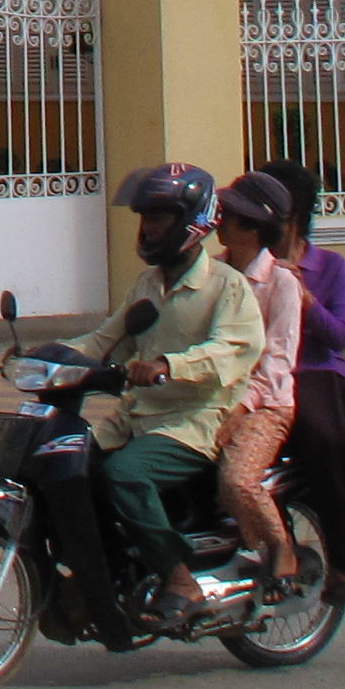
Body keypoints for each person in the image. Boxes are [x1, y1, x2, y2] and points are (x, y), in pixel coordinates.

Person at [67, 161, 264, 614]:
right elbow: (105, 341)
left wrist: (167, 366)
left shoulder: (226, 287)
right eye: (144, 219)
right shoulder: (147, 285)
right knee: (69, 471)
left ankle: (181, 578)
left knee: (125, 476)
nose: (148, 229)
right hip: (135, 419)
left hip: (192, 421)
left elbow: (231, 351)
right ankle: (107, 572)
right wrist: (43, 357)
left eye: (158, 218)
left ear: (191, 223)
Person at [257, 156, 345, 600]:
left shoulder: (330, 265)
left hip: (326, 376)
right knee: (329, 441)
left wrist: (306, 300)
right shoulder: (243, 265)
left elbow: (339, 338)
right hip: (282, 377)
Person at [210, 172, 303, 595]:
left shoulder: (281, 284)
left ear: (251, 227)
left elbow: (277, 363)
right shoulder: (212, 275)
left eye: (229, 217)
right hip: (214, 396)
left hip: (266, 405)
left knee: (236, 480)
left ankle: (279, 546)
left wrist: (241, 408)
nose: (219, 223)